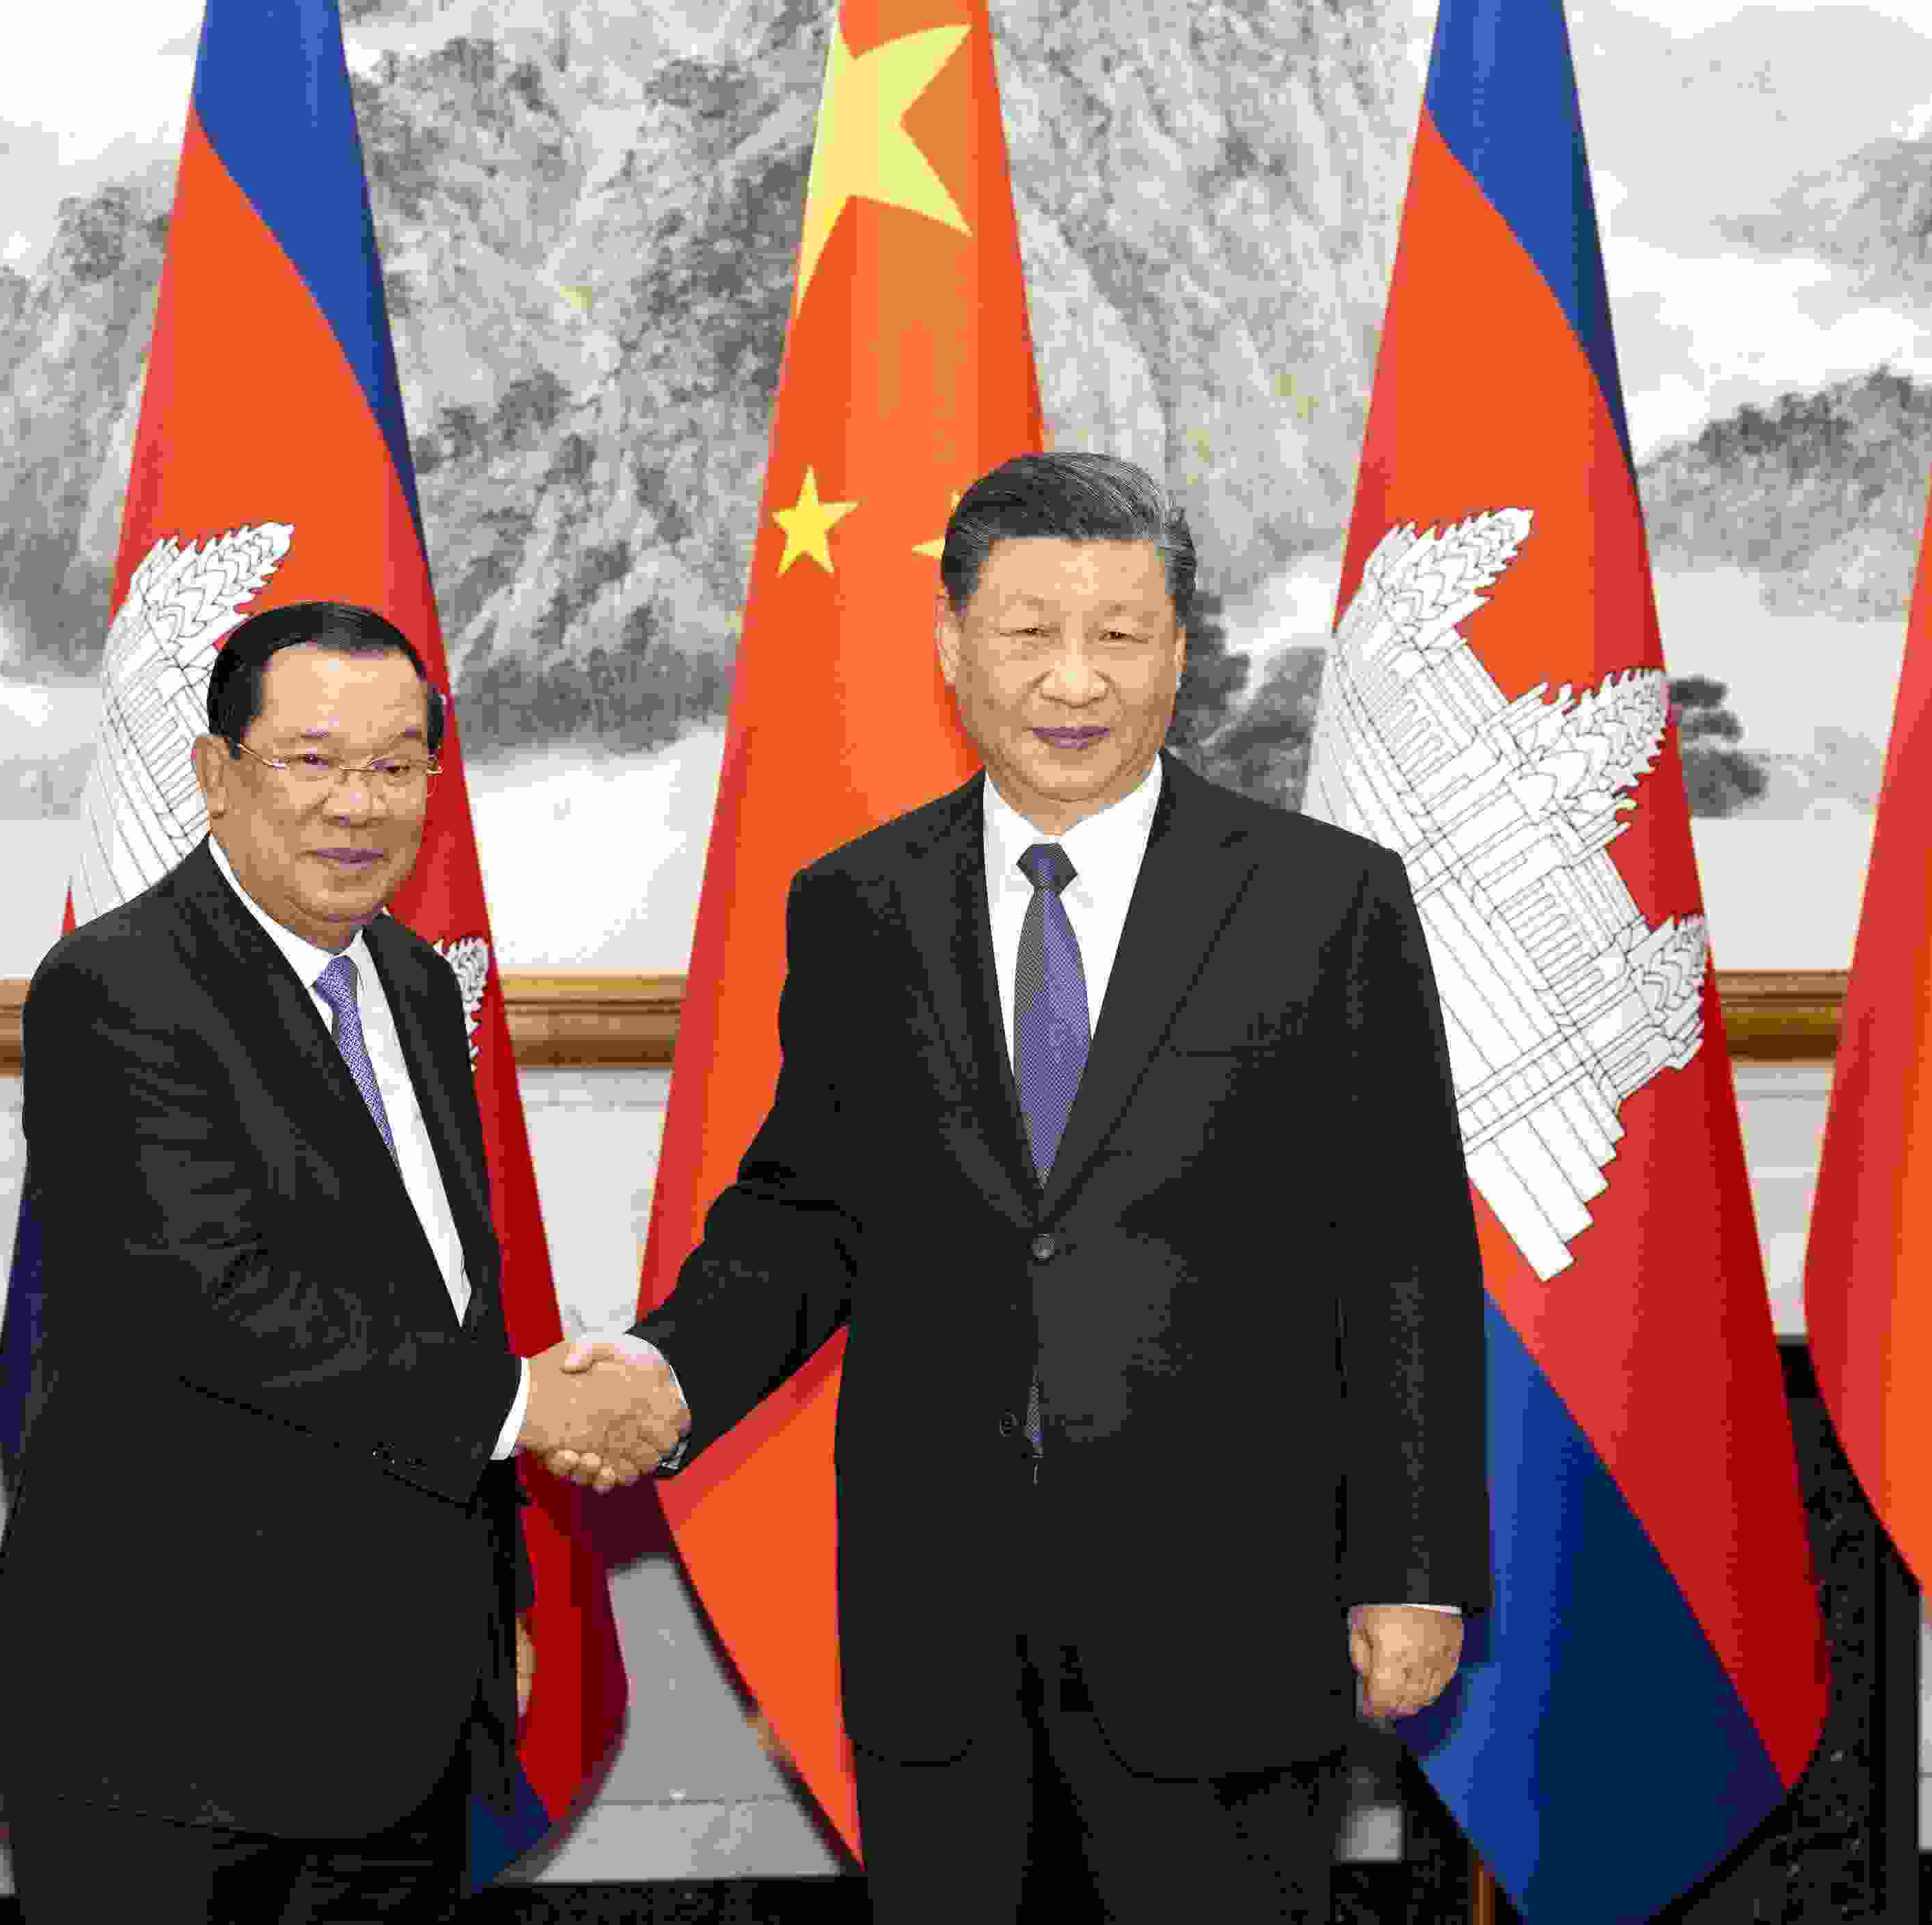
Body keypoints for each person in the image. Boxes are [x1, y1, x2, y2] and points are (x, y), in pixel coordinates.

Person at [557, 452, 1491, 1922]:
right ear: (951, 645)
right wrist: (668, 1370)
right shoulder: (856, 905)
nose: (1074, 679)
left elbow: (1400, 1251)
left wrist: (1414, 1567)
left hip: (1228, 1628)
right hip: (943, 1645)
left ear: (1178, 654)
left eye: (1119, 634)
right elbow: (806, 1213)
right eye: (1028, 631)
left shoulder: (1325, 900)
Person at [0, 601, 687, 1924]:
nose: (359, 803)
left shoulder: (412, 982)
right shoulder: (116, 989)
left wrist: (493, 1607)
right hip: (177, 1741)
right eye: (312, 760)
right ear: (214, 773)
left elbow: (438, 1296)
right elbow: (218, 1300)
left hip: (402, 1727)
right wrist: (533, 1405)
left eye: (396, 763)